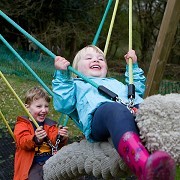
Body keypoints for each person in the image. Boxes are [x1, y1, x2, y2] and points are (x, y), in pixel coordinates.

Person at [52, 45, 175, 180]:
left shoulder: (115, 83)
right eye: (89, 58)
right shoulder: (75, 84)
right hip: (99, 119)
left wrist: (133, 66)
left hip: (127, 113)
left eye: (101, 59)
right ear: (76, 69)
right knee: (114, 109)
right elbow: (63, 104)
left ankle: (162, 156)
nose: (96, 60)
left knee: (149, 107)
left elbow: (135, 92)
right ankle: (141, 163)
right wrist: (63, 76)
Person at [13, 87, 68, 180]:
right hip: (33, 164)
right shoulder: (22, 124)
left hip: (51, 160)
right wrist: (36, 139)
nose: (44, 110)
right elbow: (22, 141)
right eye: (39, 106)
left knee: (71, 171)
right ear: (27, 108)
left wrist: (61, 136)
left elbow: (55, 140)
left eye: (46, 106)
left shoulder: (50, 124)